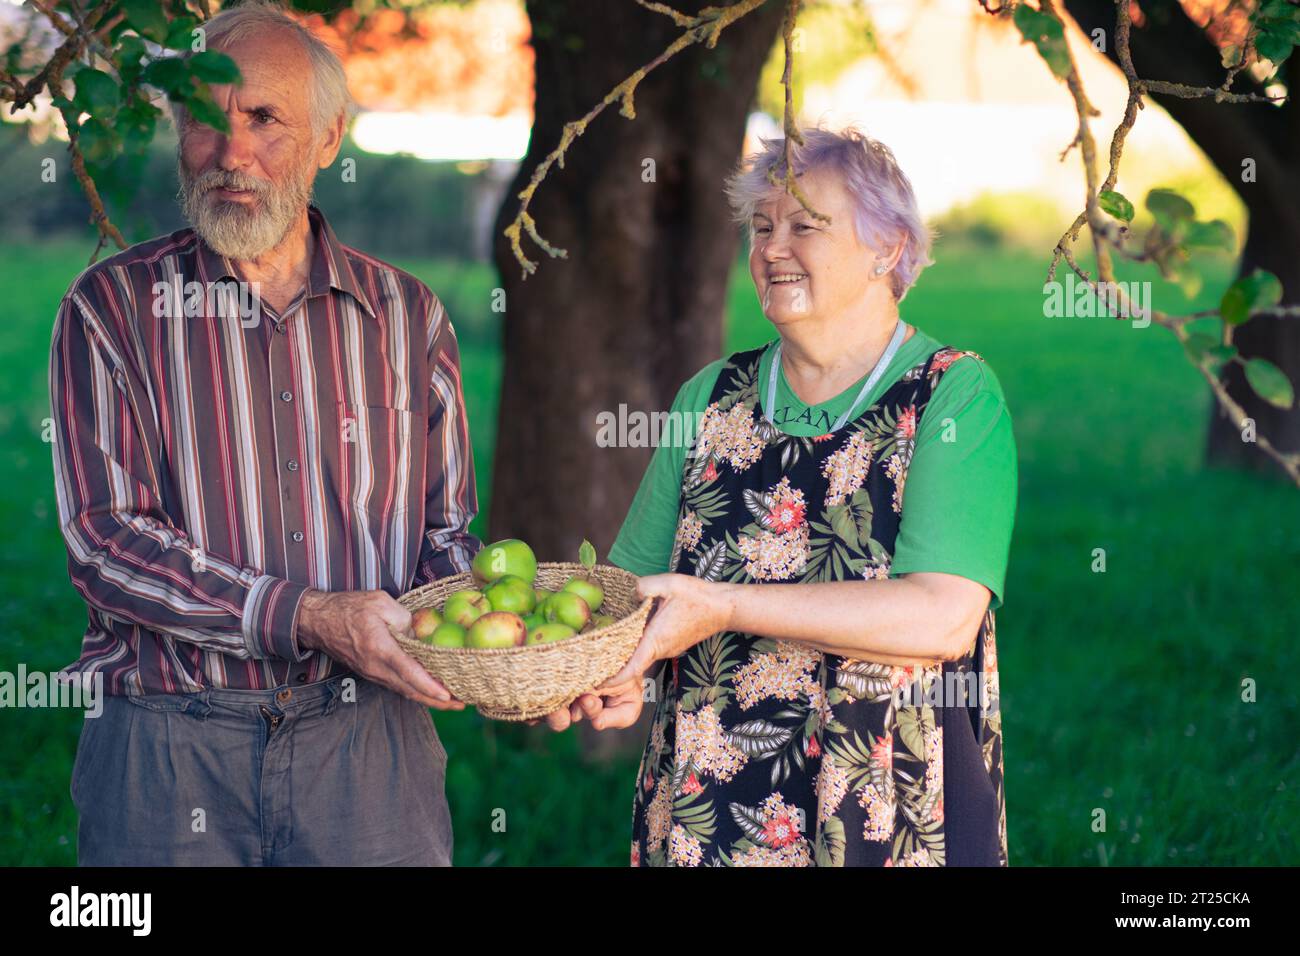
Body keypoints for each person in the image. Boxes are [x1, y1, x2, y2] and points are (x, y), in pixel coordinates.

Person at [50, 1, 478, 865]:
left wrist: (486, 639)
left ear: (328, 138)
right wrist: (309, 615)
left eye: (264, 121)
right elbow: (104, 542)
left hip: (371, 748)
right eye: (204, 121)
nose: (230, 154)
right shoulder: (113, 308)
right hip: (169, 751)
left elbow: (443, 534)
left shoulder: (406, 315)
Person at [549, 126, 1017, 867]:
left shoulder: (951, 396)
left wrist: (727, 605)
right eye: (761, 227)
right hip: (707, 809)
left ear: (887, 249)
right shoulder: (710, 397)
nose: (771, 248)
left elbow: (942, 615)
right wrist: (617, 671)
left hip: (878, 811)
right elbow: (630, 597)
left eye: (805, 225)